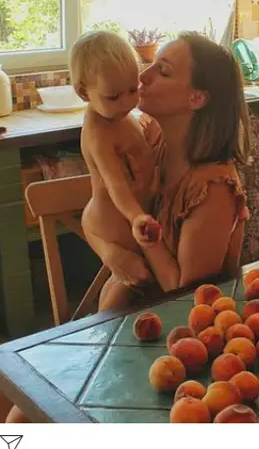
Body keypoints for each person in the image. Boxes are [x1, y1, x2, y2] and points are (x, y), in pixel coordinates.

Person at [0, 31, 251, 423]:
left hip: (177, 343)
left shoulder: (213, 188)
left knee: (22, 420)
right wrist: (114, 253)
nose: (145, 75)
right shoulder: (148, 142)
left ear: (196, 99)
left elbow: (183, 293)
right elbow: (94, 214)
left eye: (164, 70)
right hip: (126, 316)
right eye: (152, 63)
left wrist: (142, 234)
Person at [70, 30, 178, 311]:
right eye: (114, 96)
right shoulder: (98, 133)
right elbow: (115, 185)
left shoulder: (118, 115)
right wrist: (136, 216)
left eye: (133, 90)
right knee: (125, 289)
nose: (127, 103)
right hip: (114, 223)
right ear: (84, 92)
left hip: (124, 218)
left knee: (135, 287)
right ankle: (104, 338)